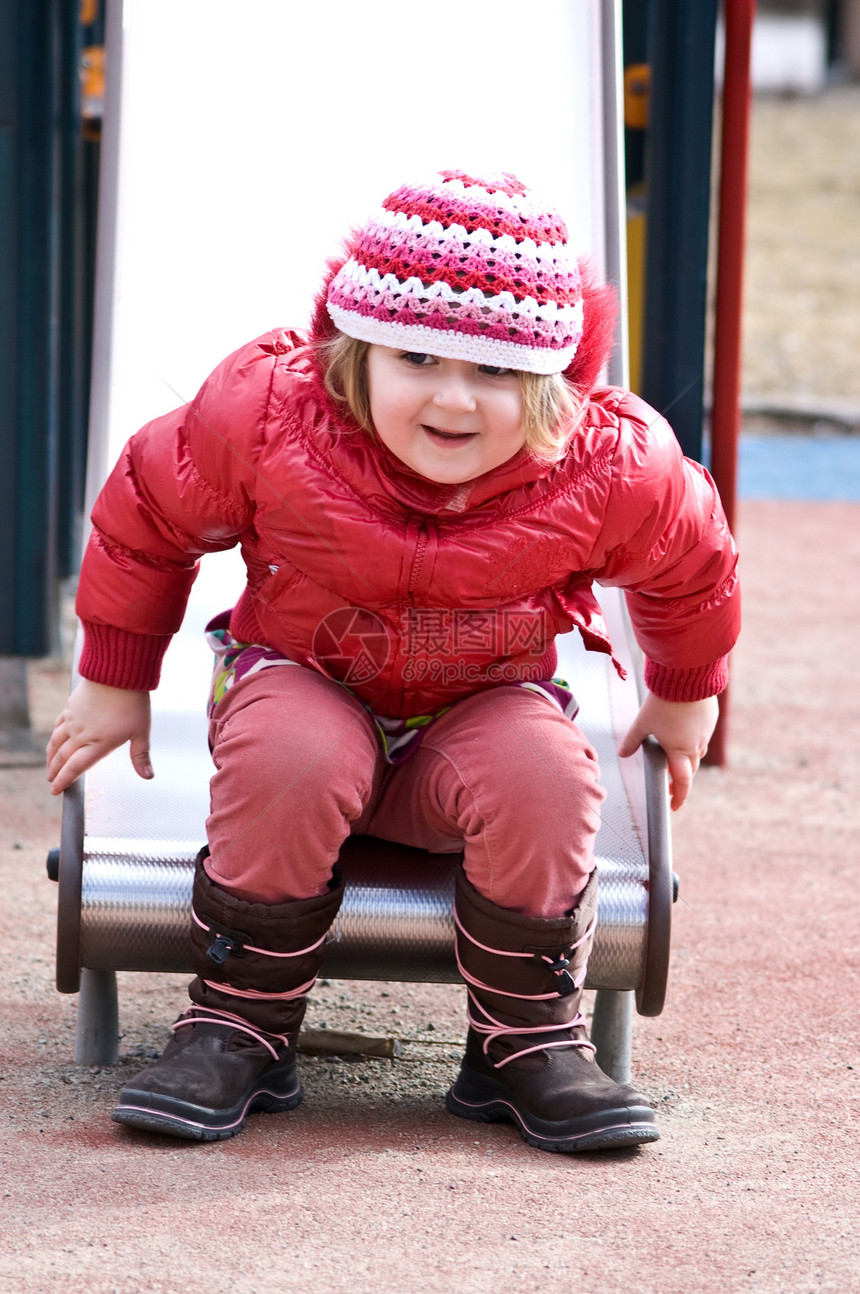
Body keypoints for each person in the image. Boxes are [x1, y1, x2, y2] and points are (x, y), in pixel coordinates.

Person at [46, 170, 739, 1151]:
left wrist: (681, 693)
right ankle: (239, 1018)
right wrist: (116, 676)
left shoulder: (605, 465)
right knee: (293, 748)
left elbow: (690, 562)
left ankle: (523, 1039)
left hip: (477, 713)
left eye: (495, 373)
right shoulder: (268, 417)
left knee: (545, 769)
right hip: (303, 682)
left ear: (549, 384)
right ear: (354, 352)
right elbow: (150, 512)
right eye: (416, 357)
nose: (452, 398)